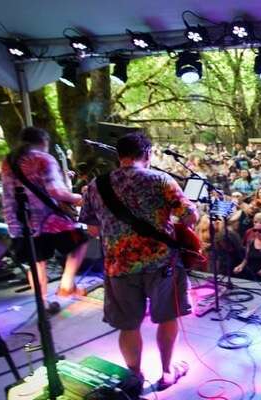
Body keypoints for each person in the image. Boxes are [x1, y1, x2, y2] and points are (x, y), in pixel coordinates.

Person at [80, 132, 198, 390]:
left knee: (128, 325)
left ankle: (135, 377)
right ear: (147, 153)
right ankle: (167, 373)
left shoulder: (95, 186)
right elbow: (190, 216)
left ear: (119, 155)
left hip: (118, 265)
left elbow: (92, 230)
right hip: (161, 263)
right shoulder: (160, 180)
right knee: (167, 318)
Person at [0, 127, 88, 314]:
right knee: (80, 241)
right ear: (43, 142)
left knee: (36, 261)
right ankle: (66, 283)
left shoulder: (8, 161)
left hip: (21, 221)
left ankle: (43, 304)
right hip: (49, 219)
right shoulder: (43, 158)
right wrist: (79, 198)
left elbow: (8, 193)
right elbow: (56, 192)